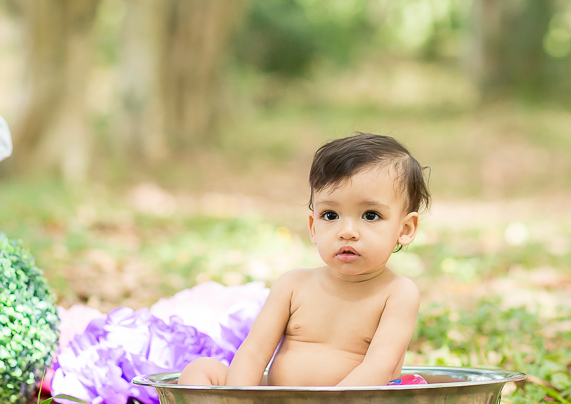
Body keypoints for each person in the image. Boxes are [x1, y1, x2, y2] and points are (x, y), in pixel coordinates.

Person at [178, 133, 431, 387]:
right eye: (330, 215)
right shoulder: (292, 285)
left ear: (405, 229)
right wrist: (241, 401)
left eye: (371, 215)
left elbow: (380, 365)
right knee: (201, 370)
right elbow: (254, 351)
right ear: (313, 227)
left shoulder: (397, 293)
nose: (347, 231)